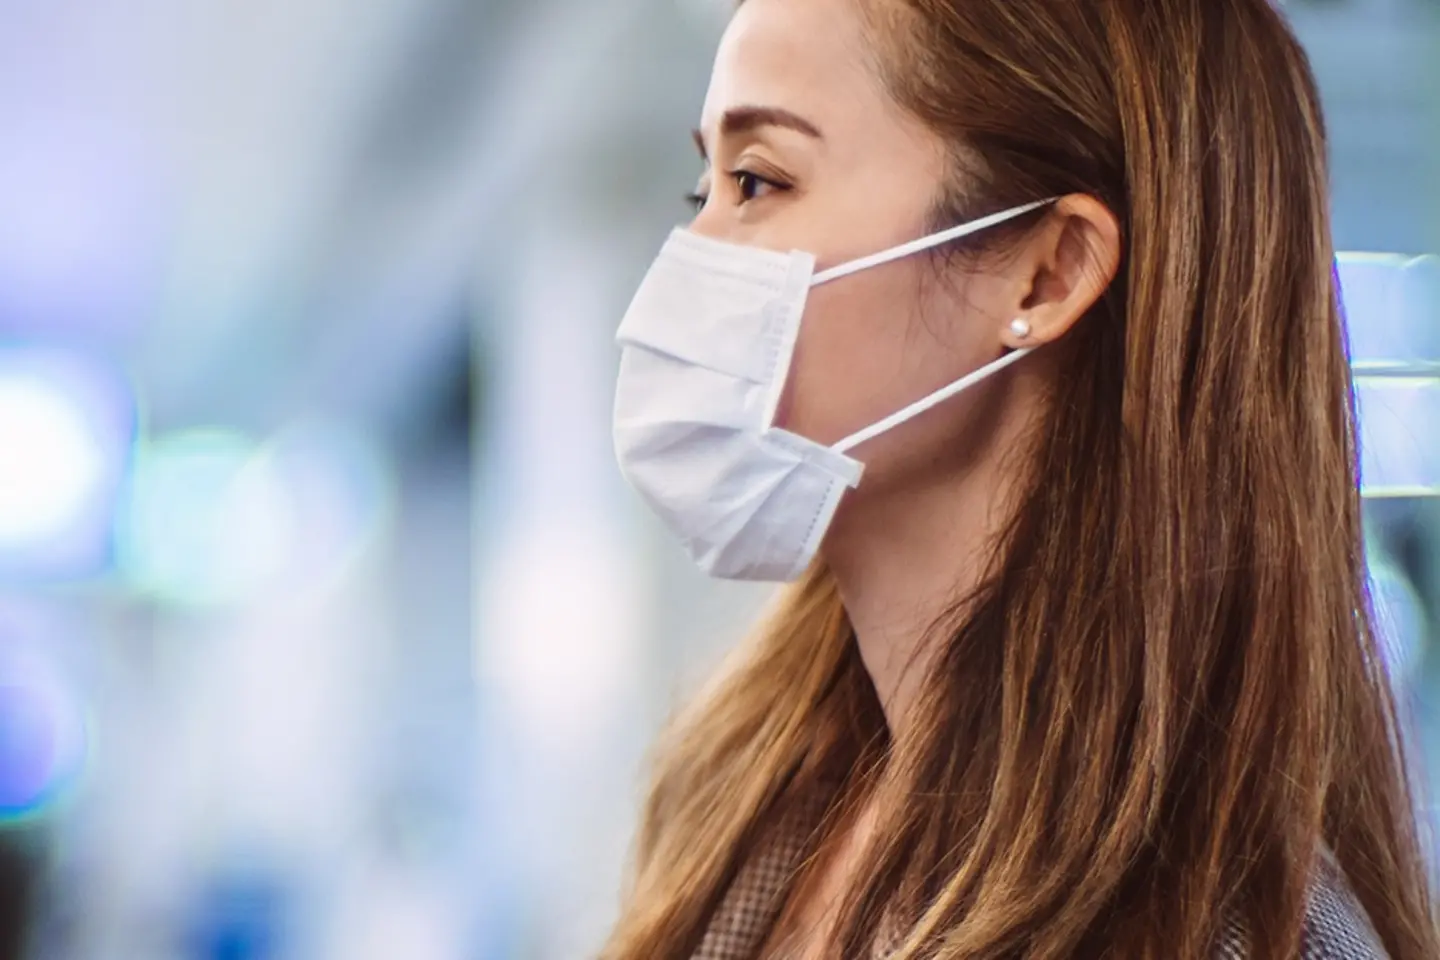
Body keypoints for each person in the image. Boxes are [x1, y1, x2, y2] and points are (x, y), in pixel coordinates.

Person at [603, 0, 1440, 957]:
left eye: (759, 182)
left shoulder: (1232, 934)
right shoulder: (745, 792)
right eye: (699, 190)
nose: (693, 258)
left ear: (1046, 276)